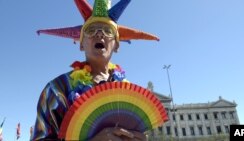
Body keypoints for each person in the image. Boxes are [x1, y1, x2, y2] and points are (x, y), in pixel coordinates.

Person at [32, 0, 159, 140]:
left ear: (117, 45)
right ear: (81, 44)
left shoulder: (130, 93)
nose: (99, 34)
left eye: (108, 31)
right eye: (91, 30)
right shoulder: (57, 90)